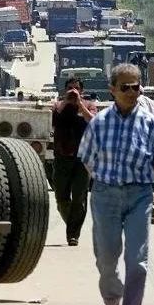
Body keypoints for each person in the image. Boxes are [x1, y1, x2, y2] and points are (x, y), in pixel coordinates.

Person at [78, 64, 154, 305]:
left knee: (136, 260)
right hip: (105, 195)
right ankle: (111, 300)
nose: (131, 92)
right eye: (125, 87)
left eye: (135, 87)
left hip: (139, 196)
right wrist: (105, 181)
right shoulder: (99, 123)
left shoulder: (150, 123)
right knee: (106, 259)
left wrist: (139, 182)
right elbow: (87, 159)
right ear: (113, 90)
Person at [51, 77, 97, 246]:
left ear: (82, 91)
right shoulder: (58, 105)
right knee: (61, 198)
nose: (73, 91)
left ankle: (73, 235)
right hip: (62, 157)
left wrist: (79, 103)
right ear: (64, 90)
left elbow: (93, 121)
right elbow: (53, 120)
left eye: (76, 88)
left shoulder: (89, 105)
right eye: (70, 88)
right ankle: (72, 224)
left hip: (82, 159)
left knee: (79, 197)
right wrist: (65, 102)